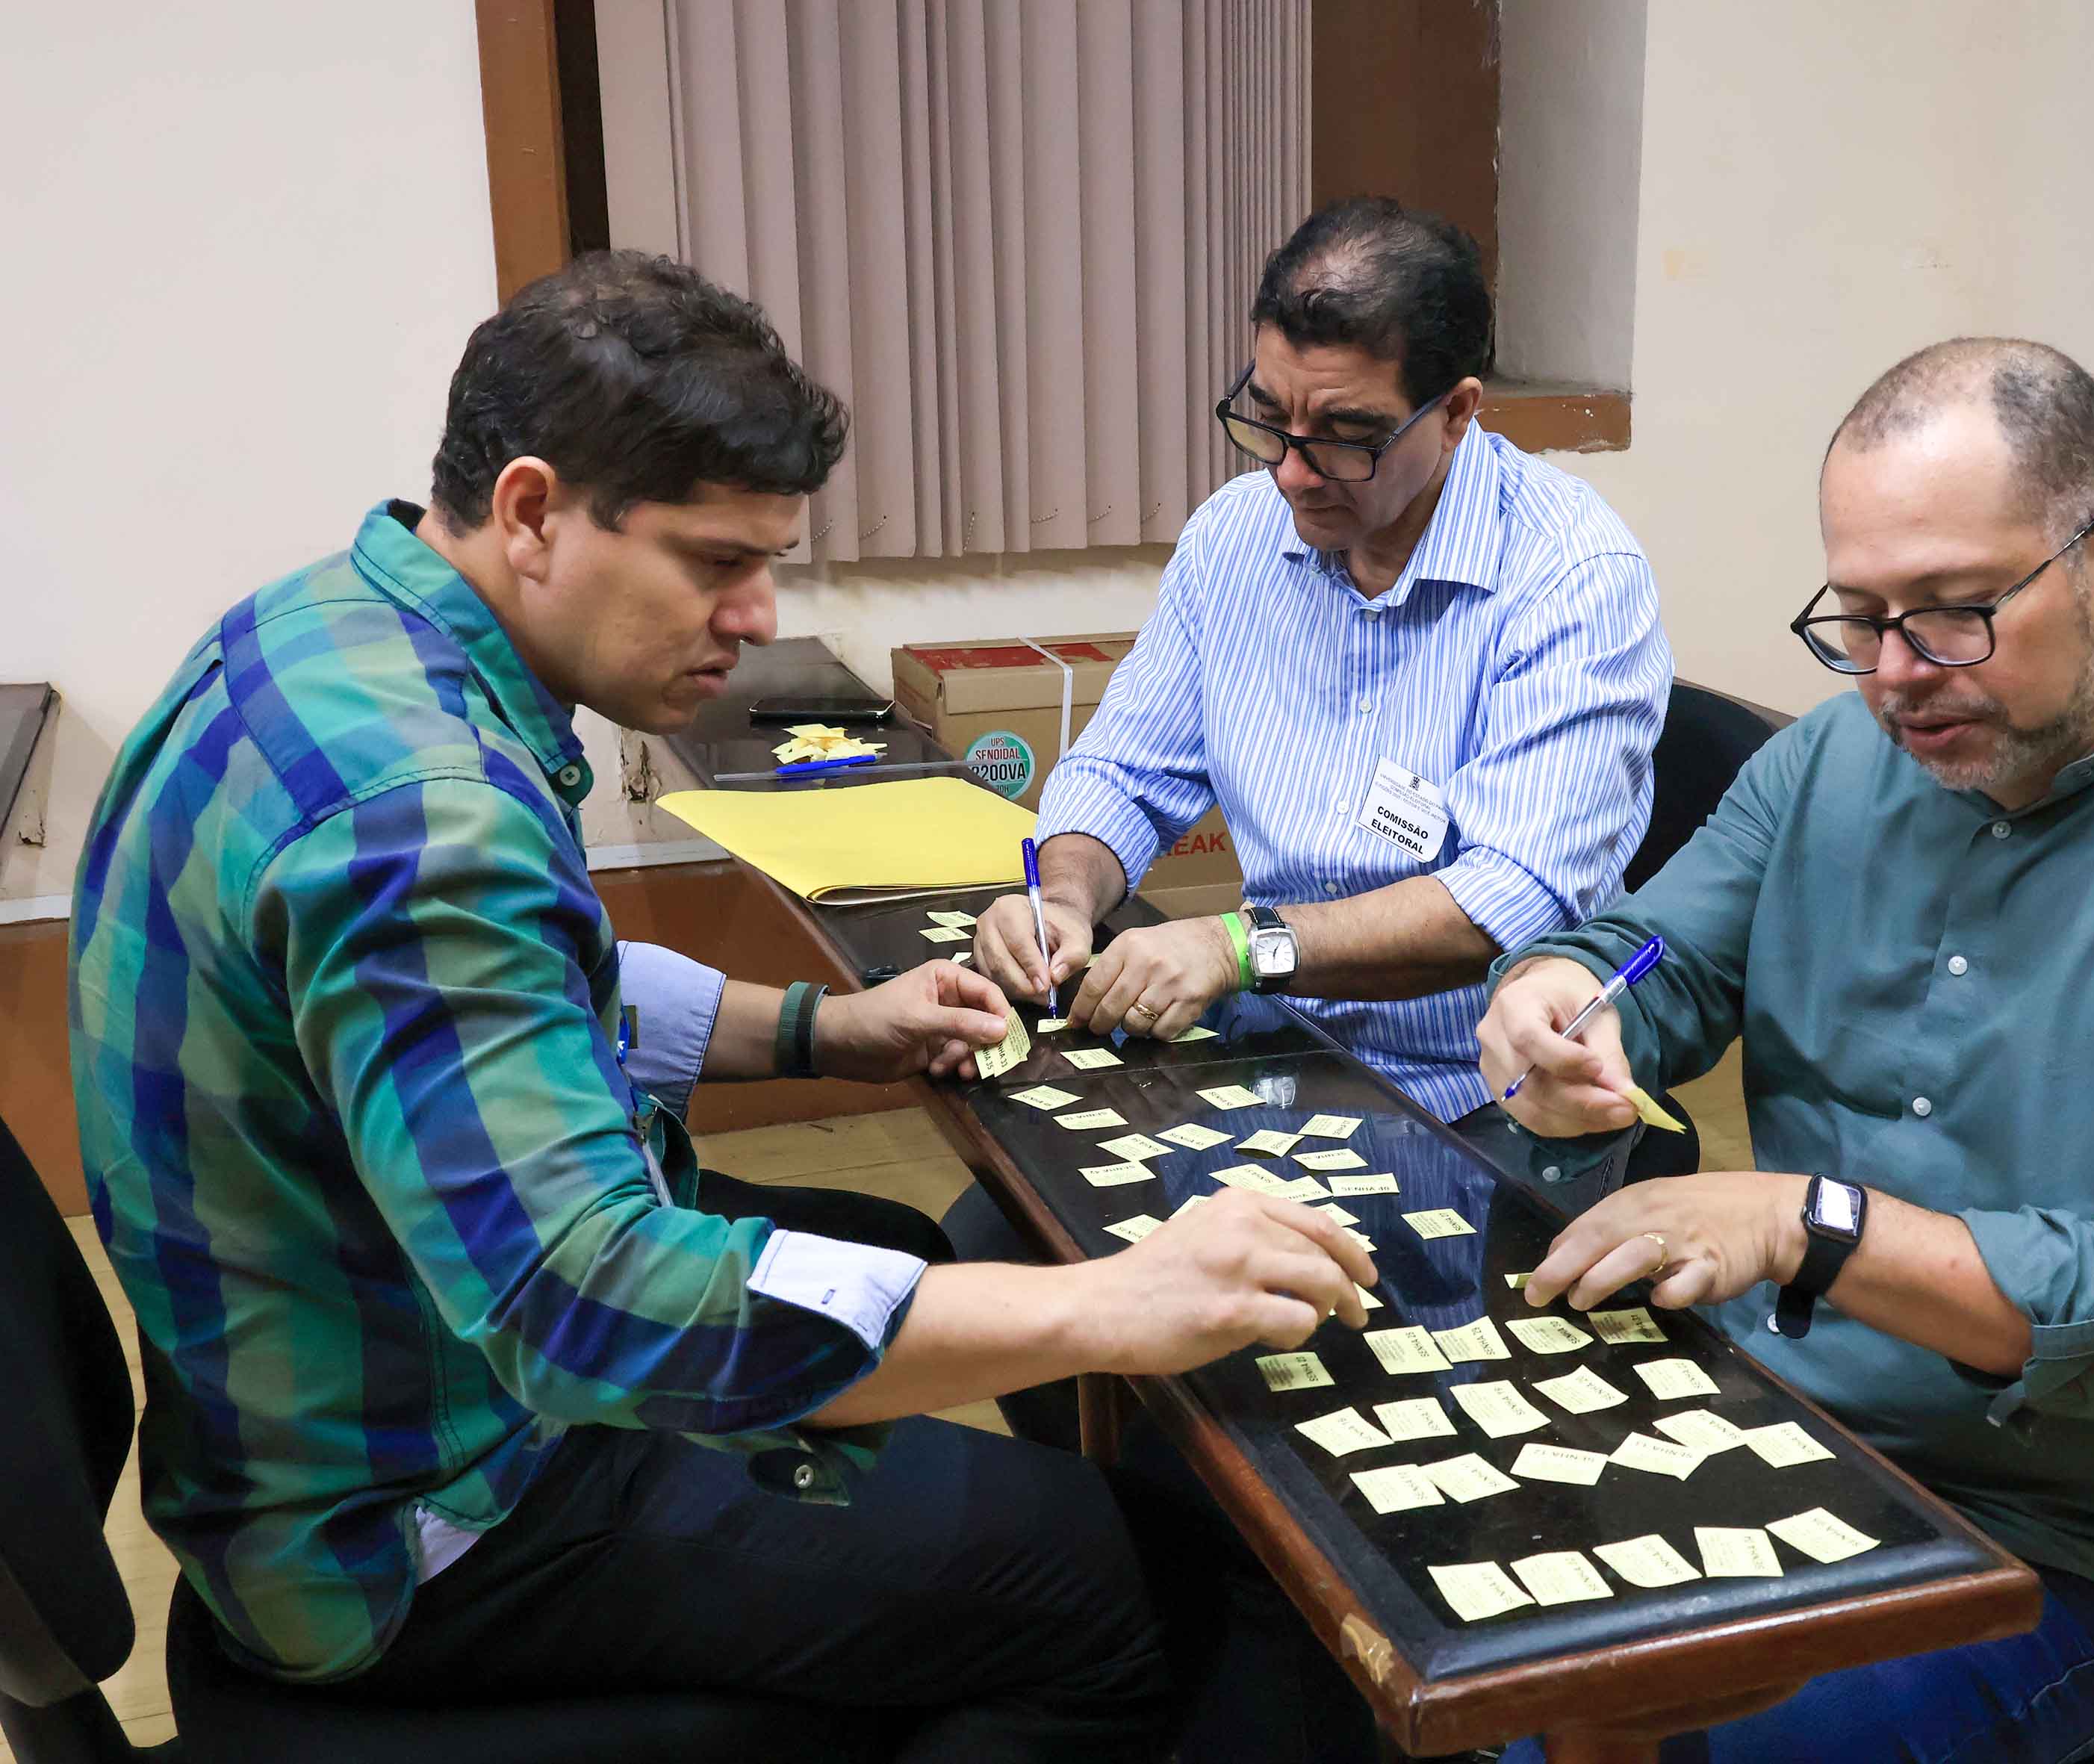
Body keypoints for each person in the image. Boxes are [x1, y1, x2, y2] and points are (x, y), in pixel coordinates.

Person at [68, 251, 1373, 1763]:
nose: (756, 613)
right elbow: (592, 1305)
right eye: (712, 560)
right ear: (537, 511)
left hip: (314, 1420)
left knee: (889, 1249)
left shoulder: (324, 631)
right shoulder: (423, 818)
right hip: (418, 1517)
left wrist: (824, 1030)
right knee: (1129, 1583)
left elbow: (508, 1000)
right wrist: (1111, 1305)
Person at [1477, 338, 2094, 1763]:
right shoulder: (1837, 759)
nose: (1893, 677)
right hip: (1773, 1414)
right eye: (1858, 618)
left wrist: (1806, 1221)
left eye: (1949, 616)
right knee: (1429, 1625)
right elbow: (1659, 952)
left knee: (1574, 1733)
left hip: (2061, 1535)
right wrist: (1564, 991)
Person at [965, 196, 1672, 1210]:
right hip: (1269, 1046)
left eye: (1347, 435)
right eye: (1270, 417)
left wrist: (1238, 946)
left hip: (1480, 1095)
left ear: (1460, 412)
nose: (1292, 472)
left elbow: (1508, 901)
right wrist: (1065, 894)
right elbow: (1123, 770)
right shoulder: (1235, 539)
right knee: (1022, 1240)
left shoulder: (1573, 576)